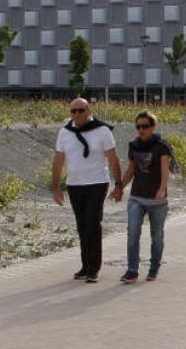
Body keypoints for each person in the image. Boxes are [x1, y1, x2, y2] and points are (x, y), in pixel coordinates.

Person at [52, 98, 120, 283]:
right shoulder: (65, 132)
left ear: (88, 110)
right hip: (75, 185)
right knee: (82, 226)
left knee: (92, 223)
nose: (76, 114)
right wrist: (56, 187)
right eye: (73, 111)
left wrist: (118, 185)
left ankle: (94, 268)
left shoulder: (102, 130)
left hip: (97, 183)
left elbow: (113, 158)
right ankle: (85, 265)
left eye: (80, 110)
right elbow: (58, 160)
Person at [111, 110, 171, 283]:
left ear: (153, 127)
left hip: (157, 201)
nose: (141, 130)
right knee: (133, 234)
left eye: (144, 126)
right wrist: (119, 188)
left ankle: (154, 268)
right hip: (136, 198)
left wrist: (161, 190)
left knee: (156, 237)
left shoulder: (162, 147)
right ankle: (132, 271)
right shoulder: (134, 145)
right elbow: (130, 170)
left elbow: (165, 172)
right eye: (138, 127)